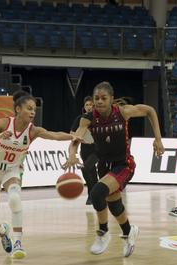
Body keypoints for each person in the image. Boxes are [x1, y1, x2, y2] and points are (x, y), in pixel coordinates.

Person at [63, 81, 164, 257]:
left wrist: (158, 139)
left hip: (123, 164)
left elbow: (150, 111)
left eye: (103, 98)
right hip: (104, 165)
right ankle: (128, 231)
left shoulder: (123, 112)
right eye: (96, 98)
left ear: (111, 99)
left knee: (96, 193)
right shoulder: (88, 118)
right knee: (114, 204)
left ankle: (103, 233)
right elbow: (76, 138)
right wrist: (72, 154)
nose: (99, 101)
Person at [0, 90, 81, 259]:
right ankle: (3, 230)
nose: (33, 112)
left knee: (14, 198)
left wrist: (73, 136)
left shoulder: (33, 131)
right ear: (18, 109)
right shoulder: (4, 123)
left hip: (12, 169)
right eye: (29, 108)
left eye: (34, 109)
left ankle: (18, 242)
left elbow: (54, 135)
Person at [70, 96, 98, 205]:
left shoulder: (97, 118)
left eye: (91, 104)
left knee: (86, 168)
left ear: (94, 106)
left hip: (97, 149)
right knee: (91, 172)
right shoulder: (80, 119)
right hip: (85, 150)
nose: (89, 107)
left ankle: (91, 195)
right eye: (87, 105)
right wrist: (79, 138)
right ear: (84, 107)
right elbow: (72, 132)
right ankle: (95, 195)